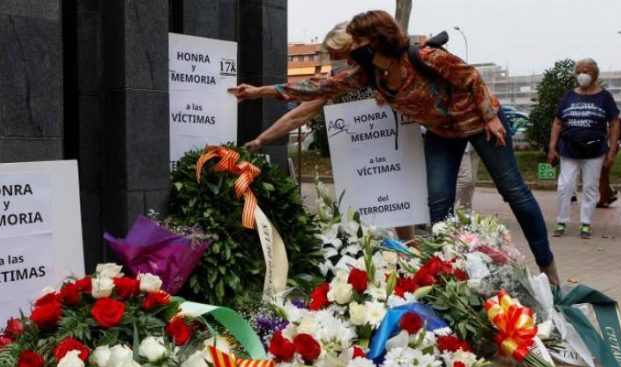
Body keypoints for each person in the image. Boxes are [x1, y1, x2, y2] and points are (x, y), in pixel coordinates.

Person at [231, 10, 559, 285]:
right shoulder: (369, 75)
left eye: (357, 42)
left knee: (513, 189)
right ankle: (444, 275)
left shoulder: (424, 57)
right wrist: (260, 91)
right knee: (438, 203)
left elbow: (471, 78)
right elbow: (317, 87)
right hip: (443, 134)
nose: (351, 51)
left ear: (376, 41)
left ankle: (548, 270)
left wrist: (489, 116)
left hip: (478, 119)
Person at [242, 22, 415, 240]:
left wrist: (393, 97)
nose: (336, 60)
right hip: (355, 156)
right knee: (358, 220)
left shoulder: (383, 71)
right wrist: (260, 139)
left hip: (390, 151)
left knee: (401, 210)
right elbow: (298, 114)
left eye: (339, 53)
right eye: (332, 55)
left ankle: (409, 255)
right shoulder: (336, 80)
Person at [547, 58, 620, 239]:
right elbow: (557, 122)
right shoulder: (568, 96)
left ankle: (585, 223)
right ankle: (562, 221)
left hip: (594, 151)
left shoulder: (605, 97)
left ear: (595, 74)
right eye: (579, 72)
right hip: (569, 149)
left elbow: (614, 123)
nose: (582, 75)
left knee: (590, 187)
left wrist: (612, 150)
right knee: (565, 186)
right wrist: (552, 147)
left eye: (586, 71)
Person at [597, 116, 621, 207]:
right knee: (603, 175)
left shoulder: (611, 120)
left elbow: (609, 133)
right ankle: (608, 195)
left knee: (603, 174)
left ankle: (605, 198)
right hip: (611, 147)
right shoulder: (615, 119)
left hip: (608, 147)